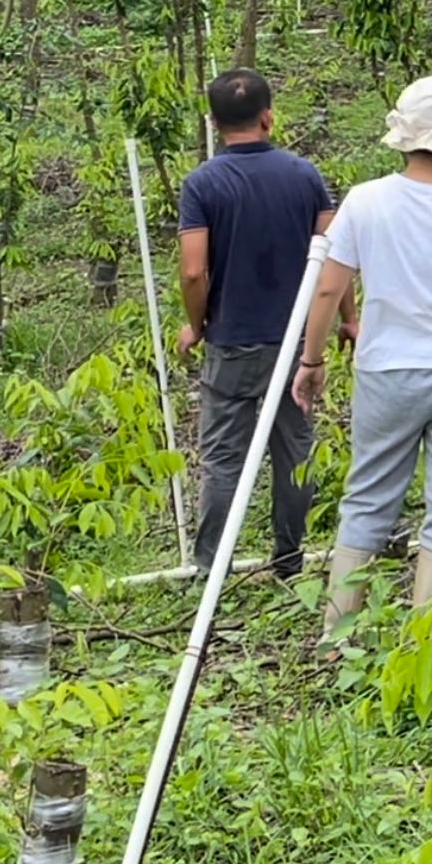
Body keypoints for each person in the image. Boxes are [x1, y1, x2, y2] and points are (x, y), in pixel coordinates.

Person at [294, 76, 432, 634]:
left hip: (387, 372)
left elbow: (328, 286)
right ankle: (426, 634)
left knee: (368, 496)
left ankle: (338, 636)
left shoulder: (366, 201)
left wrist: (312, 360)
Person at [177, 68, 350, 580]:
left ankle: (212, 567)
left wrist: (199, 323)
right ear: (269, 116)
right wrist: (348, 319)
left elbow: (192, 270)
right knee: (293, 450)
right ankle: (289, 559)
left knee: (224, 457)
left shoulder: (203, 183)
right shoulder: (304, 176)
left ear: (213, 122)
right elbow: (333, 257)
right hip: (297, 341)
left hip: (232, 340)